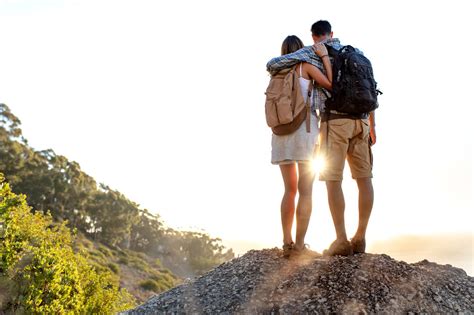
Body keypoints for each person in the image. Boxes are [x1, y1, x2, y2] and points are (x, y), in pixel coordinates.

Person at [267, 20, 377, 256]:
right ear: (331, 34)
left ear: (314, 37)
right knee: (363, 179)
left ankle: (335, 239)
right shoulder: (356, 53)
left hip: (304, 128)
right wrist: (372, 124)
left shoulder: (299, 60)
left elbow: (272, 65)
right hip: (357, 122)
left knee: (321, 183)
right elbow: (364, 86)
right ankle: (358, 236)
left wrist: (320, 55)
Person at [270, 35, 333, 258]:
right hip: (304, 132)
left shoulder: (275, 72)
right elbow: (329, 84)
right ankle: (299, 244)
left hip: (280, 135)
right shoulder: (304, 67)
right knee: (306, 190)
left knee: (289, 189)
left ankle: (286, 242)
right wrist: (324, 59)